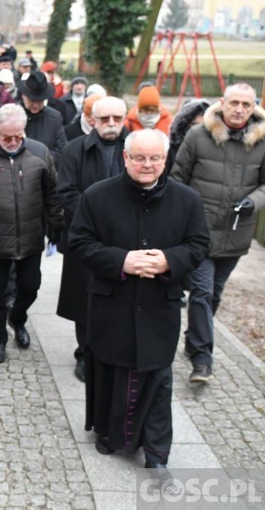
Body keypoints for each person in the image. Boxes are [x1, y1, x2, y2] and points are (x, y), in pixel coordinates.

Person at [68, 129, 209, 469]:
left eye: (155, 158)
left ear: (165, 159)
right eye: (140, 158)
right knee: (111, 370)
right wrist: (122, 261)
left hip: (159, 303)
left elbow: (200, 244)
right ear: (125, 158)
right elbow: (80, 242)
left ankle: (157, 450)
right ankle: (107, 433)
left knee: (157, 375)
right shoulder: (97, 196)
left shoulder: (187, 199)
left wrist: (168, 261)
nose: (148, 165)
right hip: (112, 302)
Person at [170, 83, 265, 383]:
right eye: (234, 102)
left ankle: (193, 337)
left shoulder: (262, 141)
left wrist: (253, 202)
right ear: (222, 103)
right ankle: (202, 359)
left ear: (254, 107)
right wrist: (185, 218)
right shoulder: (198, 136)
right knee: (201, 292)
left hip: (237, 232)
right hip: (201, 232)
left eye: (246, 105)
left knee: (215, 293)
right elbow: (177, 179)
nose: (239, 110)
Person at [0, 104, 64, 361]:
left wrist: (56, 226)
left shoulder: (39, 152)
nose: (13, 142)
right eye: (6, 137)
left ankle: (18, 319)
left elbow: (51, 194)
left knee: (30, 287)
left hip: (31, 236)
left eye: (18, 136)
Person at [57, 96, 129, 382]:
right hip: (87, 237)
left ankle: (115, 351)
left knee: (122, 299)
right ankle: (84, 354)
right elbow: (66, 192)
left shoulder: (135, 148)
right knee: (84, 300)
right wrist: (99, 222)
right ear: (92, 120)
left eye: (117, 118)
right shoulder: (75, 150)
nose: (111, 124)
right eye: (104, 119)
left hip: (128, 238)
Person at [17, 70, 67, 168]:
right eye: (32, 100)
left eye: (40, 101)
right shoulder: (11, 116)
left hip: (45, 171)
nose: (35, 105)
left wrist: (40, 159)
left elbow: (62, 149)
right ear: (23, 96)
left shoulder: (54, 118)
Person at [165, 98, 210, 173]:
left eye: (204, 126)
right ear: (185, 125)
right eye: (195, 125)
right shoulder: (172, 150)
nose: (199, 130)